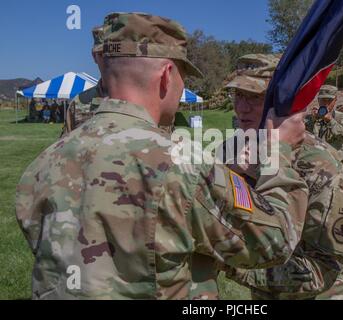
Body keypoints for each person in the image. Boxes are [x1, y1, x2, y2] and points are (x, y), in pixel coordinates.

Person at [15, 12, 309, 300]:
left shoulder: (42, 165)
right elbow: (275, 242)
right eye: (184, 76)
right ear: (168, 76)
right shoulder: (182, 162)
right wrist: (278, 151)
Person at [219, 54, 343, 300]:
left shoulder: (319, 165)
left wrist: (229, 261)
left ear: (281, 102)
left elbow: (322, 270)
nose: (242, 107)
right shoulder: (232, 150)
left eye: (254, 97)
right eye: (238, 95)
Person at [62, 26, 107, 136]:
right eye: (102, 54)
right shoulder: (79, 103)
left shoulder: (146, 100)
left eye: (114, 54)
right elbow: (64, 147)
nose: (108, 59)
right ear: (94, 57)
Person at [308, 85, 343, 159]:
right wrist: (312, 120)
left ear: (335, 100)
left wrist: (330, 121)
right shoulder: (311, 117)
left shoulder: (342, 117)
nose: (326, 104)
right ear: (318, 100)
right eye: (323, 100)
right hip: (316, 159)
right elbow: (304, 136)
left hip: (336, 159)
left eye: (329, 100)